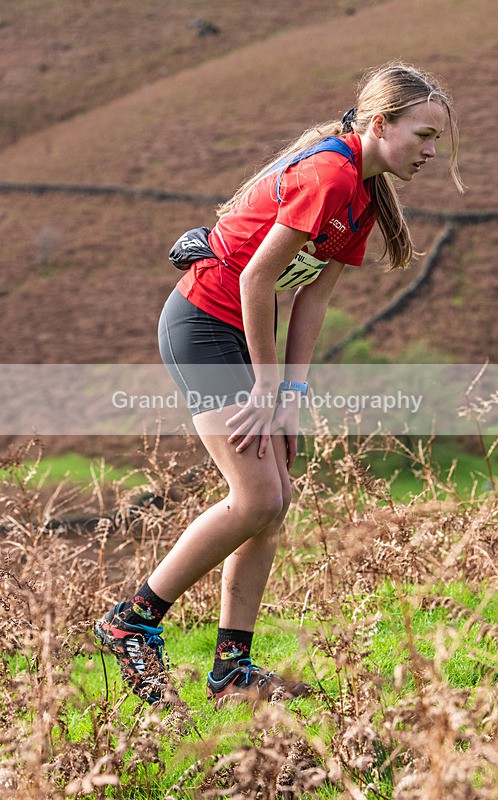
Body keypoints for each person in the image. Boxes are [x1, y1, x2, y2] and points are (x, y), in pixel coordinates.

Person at [95, 61, 464, 705]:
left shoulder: (364, 194)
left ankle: (231, 669)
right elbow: (254, 280)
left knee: (274, 496)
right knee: (257, 495)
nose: (432, 152)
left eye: (438, 140)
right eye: (424, 135)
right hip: (204, 325)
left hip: (245, 332)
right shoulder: (330, 175)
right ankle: (132, 620)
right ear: (380, 124)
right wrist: (267, 388)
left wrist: (288, 397)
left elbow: (312, 303)